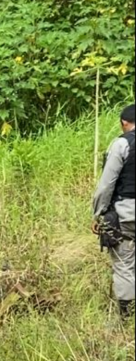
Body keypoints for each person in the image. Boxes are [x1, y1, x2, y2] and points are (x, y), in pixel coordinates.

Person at [92, 103, 135, 320]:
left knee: (124, 263)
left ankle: (127, 318)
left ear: (124, 123)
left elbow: (106, 185)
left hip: (127, 214)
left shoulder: (121, 144)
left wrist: (98, 213)